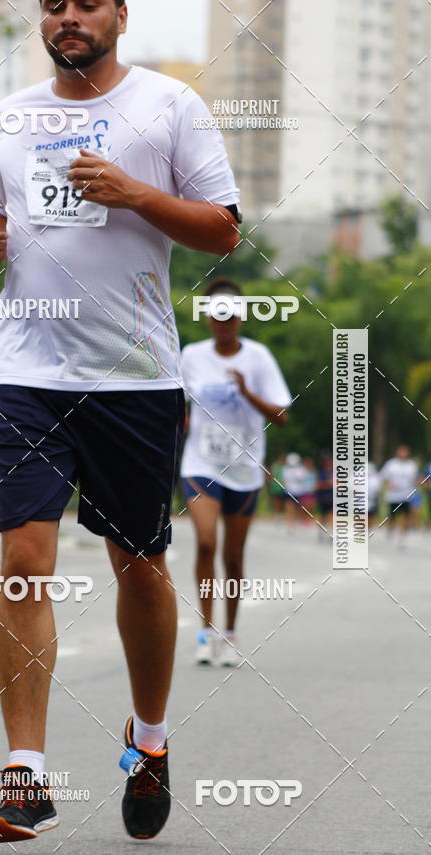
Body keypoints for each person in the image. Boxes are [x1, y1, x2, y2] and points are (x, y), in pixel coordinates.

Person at [0, 0, 240, 844]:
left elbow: (224, 231)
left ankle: (149, 743)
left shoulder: (169, 106)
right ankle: (26, 776)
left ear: (121, 13)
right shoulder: (11, 116)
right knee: (23, 554)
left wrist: (134, 193)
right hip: (24, 371)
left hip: (132, 376)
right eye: (54, 4)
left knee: (140, 563)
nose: (69, 17)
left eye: (87, 2)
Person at [179, 279, 291, 666]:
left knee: (234, 555)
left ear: (241, 317)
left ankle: (229, 632)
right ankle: (205, 632)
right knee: (207, 542)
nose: (223, 323)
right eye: (216, 315)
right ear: (207, 317)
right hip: (201, 464)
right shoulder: (191, 355)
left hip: (244, 469)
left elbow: (281, 416)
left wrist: (246, 392)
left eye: (230, 316)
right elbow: (175, 404)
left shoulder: (258, 358)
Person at [380, 445, 418, 544]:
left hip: (407, 495)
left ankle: (402, 536)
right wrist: (389, 484)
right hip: (393, 496)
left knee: (405, 516)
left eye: (405, 452)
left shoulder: (411, 465)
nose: (403, 454)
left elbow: (415, 478)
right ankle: (390, 528)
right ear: (398, 452)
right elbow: (383, 477)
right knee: (392, 516)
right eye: (402, 452)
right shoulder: (391, 464)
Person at [282, 452, 307, 532]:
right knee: (289, 508)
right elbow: (284, 480)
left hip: (298, 491)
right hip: (289, 491)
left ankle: (294, 522)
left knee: (297, 508)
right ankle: (289, 525)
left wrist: (295, 474)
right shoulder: (285, 469)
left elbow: (302, 478)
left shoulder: (301, 469)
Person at [315, 451, 334, 537]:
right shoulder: (321, 473)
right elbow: (318, 485)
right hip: (323, 497)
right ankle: (322, 531)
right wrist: (328, 484)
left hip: (332, 497)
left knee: (331, 514)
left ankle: (331, 532)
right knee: (323, 515)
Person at [269, 452, 287, 520]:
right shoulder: (275, 465)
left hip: (284, 487)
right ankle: (276, 514)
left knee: (283, 501)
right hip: (276, 486)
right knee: (276, 501)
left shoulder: (285, 466)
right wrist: (271, 483)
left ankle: (280, 514)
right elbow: (271, 474)